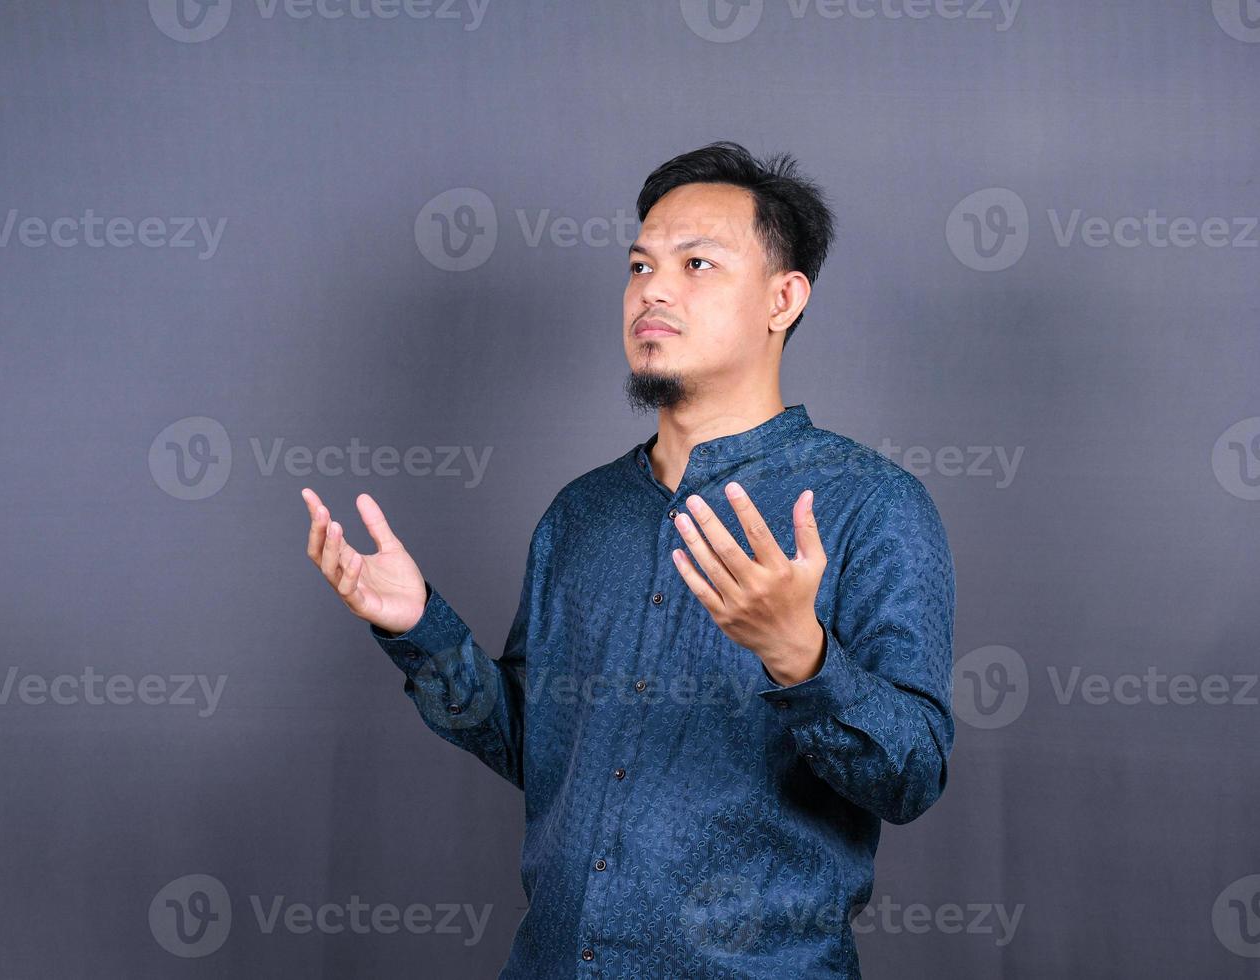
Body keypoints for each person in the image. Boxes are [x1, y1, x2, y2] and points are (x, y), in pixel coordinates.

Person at [301, 140, 956, 978]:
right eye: (640, 264)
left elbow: (913, 777)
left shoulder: (871, 506)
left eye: (697, 264)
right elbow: (534, 746)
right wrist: (418, 626)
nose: (653, 288)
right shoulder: (582, 514)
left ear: (783, 298)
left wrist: (801, 655)